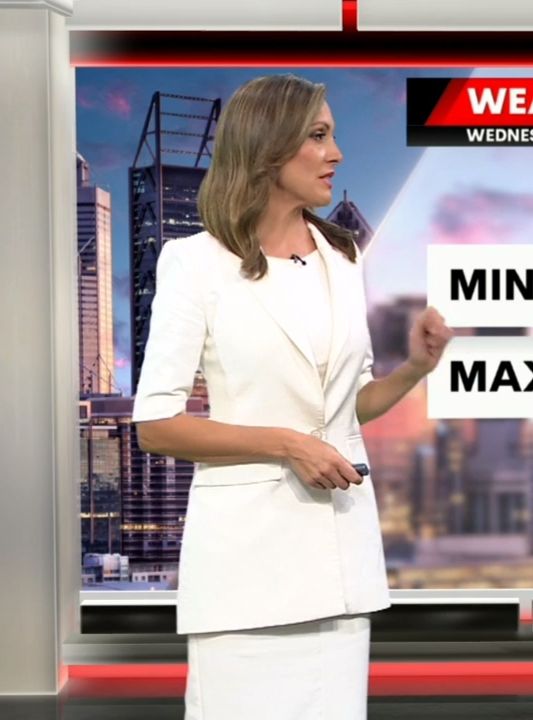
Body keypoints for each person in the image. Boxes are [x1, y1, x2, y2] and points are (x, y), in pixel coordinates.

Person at [132, 74, 452, 720]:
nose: (336, 153)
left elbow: (346, 408)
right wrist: (286, 445)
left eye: (332, 135)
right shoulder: (193, 263)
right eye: (318, 136)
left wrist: (415, 370)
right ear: (268, 146)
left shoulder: (342, 258)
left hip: (339, 566)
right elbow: (156, 425)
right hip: (246, 572)